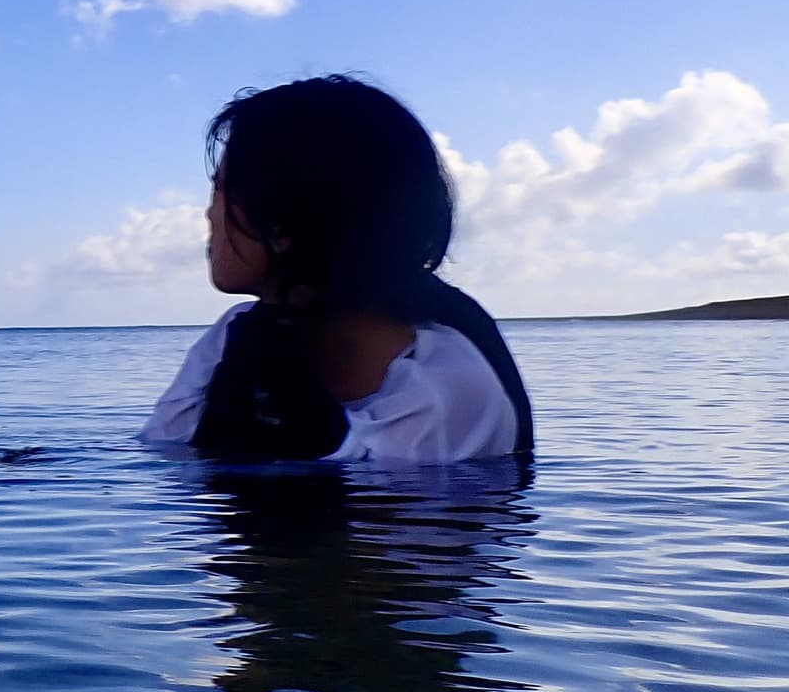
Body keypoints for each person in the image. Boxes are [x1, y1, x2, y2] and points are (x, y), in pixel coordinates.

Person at [140, 75, 533, 464]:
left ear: (285, 224)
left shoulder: (445, 385)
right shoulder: (234, 337)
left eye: (222, 190)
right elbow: (164, 451)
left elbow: (366, 513)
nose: (210, 213)